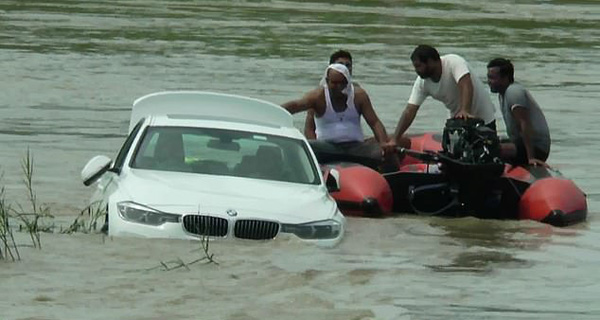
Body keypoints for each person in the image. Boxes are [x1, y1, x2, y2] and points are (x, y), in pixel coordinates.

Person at [281, 63, 396, 169]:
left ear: (348, 82)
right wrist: (272, 112)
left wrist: (383, 143)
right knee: (301, 147)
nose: (339, 87)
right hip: (327, 147)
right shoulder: (317, 96)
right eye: (334, 83)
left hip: (355, 147)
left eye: (342, 83)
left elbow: (374, 122)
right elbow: (296, 105)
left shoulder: (359, 95)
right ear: (327, 81)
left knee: (389, 155)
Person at [394, 45, 497, 146]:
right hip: (457, 122)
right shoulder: (422, 82)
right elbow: (410, 110)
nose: (416, 70)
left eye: (418, 66)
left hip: (483, 118)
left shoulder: (454, 62)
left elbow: (465, 83)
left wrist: (465, 110)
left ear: (430, 62)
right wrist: (395, 139)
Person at [487, 58, 550, 166]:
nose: (489, 82)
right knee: (486, 142)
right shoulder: (502, 94)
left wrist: (531, 158)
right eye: (488, 77)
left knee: (491, 150)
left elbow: (524, 124)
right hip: (519, 144)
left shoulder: (513, 92)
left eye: (492, 78)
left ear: (505, 78)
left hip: (536, 148)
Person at [304, 50, 355, 139]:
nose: (345, 68)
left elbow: (374, 122)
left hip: (352, 144)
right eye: (340, 64)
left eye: (348, 65)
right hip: (325, 144)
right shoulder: (319, 94)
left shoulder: (358, 92)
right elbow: (309, 128)